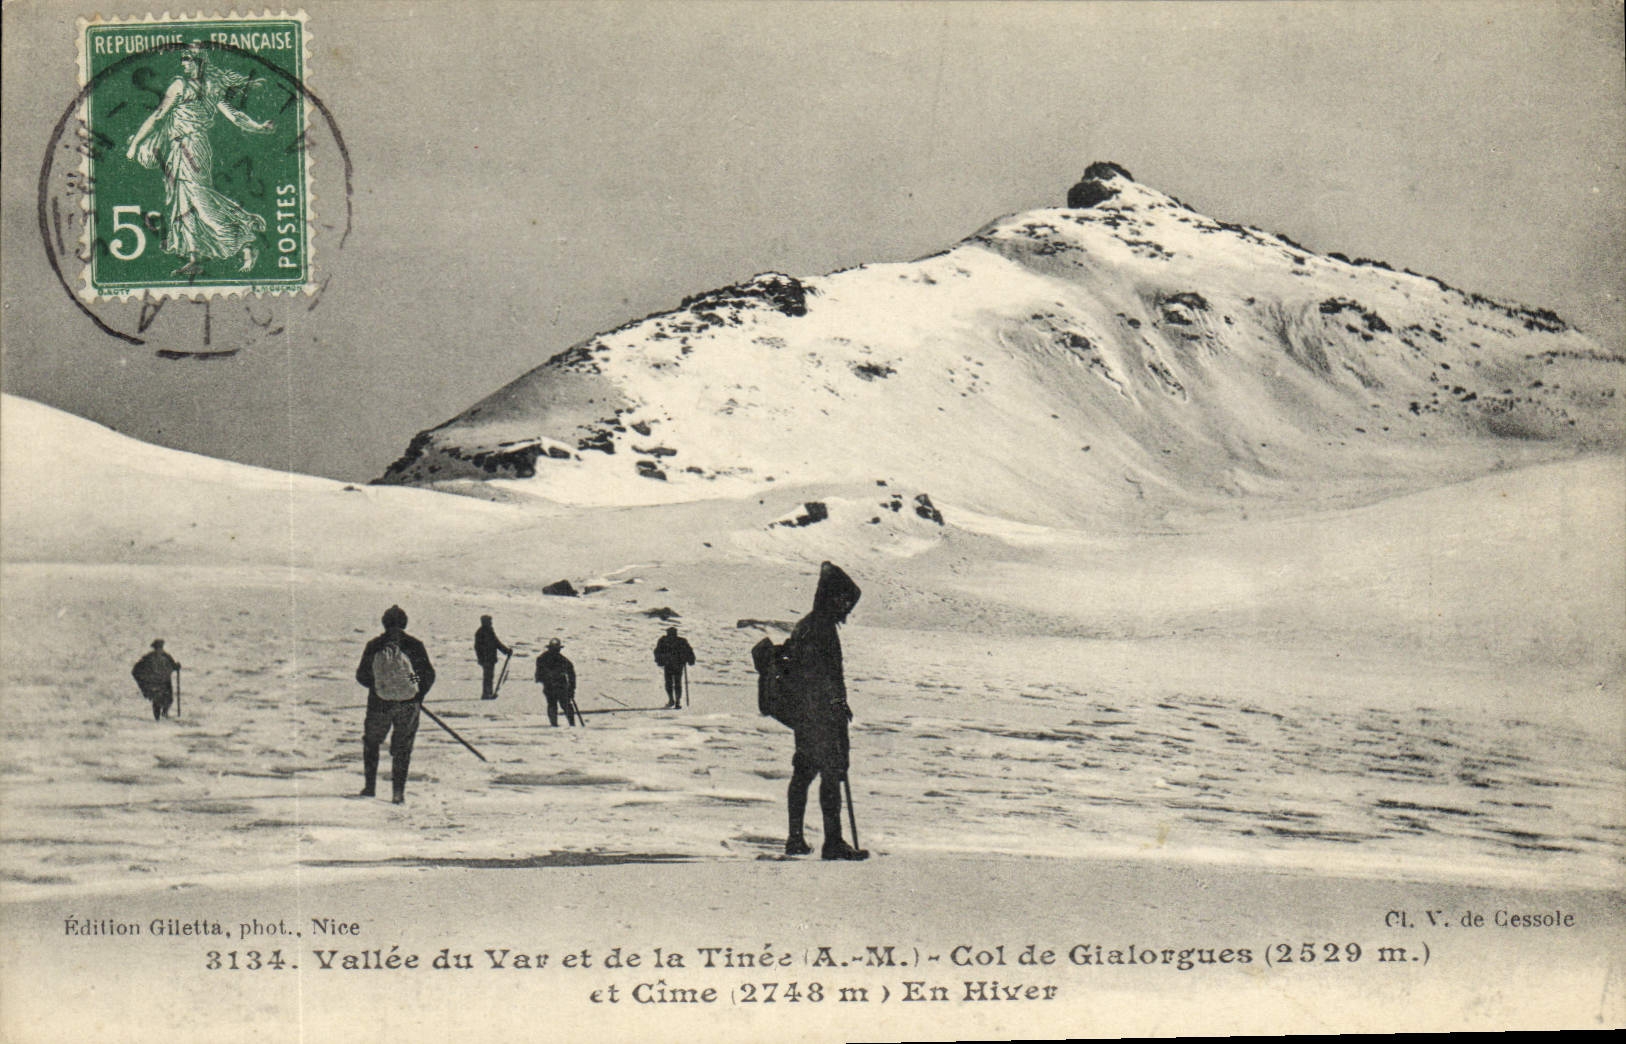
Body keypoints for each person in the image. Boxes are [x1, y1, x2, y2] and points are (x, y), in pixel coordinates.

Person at [123, 42, 275, 276]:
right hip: (182, 147)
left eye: (189, 60)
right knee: (184, 202)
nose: (185, 64)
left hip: (191, 148)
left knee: (200, 199)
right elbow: (234, 116)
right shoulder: (205, 86)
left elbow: (158, 116)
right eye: (183, 60)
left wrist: (134, 144)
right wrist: (259, 127)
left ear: (201, 62)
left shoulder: (184, 86)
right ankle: (194, 258)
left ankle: (245, 241)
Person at [782, 562, 868, 861]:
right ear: (831, 597)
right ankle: (832, 842)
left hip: (805, 715)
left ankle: (795, 838)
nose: (846, 607)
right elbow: (823, 675)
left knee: (804, 773)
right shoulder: (822, 629)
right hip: (822, 716)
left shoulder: (806, 625)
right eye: (843, 600)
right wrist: (836, 705)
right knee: (831, 774)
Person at [354, 605, 436, 803]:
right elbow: (427, 674)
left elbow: (362, 676)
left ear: (384, 623)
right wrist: (413, 689)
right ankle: (398, 793)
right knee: (403, 748)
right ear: (405, 623)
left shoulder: (375, 645)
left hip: (379, 704)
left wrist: (380, 686)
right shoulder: (414, 645)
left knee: (372, 743)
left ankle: (370, 787)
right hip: (408, 705)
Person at [131, 639, 180, 721]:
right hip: (154, 683)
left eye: (161, 647)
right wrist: (145, 680)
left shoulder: (166, 656)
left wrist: (176, 667)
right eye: (158, 647)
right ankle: (157, 719)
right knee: (157, 701)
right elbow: (136, 669)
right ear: (155, 648)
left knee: (169, 699)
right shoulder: (148, 657)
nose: (160, 649)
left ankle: (164, 714)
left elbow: (173, 665)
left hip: (165, 682)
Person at [534, 638, 578, 726]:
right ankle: (556, 725)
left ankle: (570, 724)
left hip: (559, 686)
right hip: (552, 686)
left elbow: (571, 674)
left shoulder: (561, 660)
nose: (555, 651)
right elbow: (539, 674)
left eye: (556, 649)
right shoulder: (542, 659)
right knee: (555, 705)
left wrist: (571, 689)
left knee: (562, 705)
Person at [652, 626, 696, 708]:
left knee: (670, 683)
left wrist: (659, 661)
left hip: (670, 664)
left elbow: (657, 651)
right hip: (676, 665)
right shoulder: (681, 641)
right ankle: (676, 701)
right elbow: (689, 651)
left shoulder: (664, 641)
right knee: (676, 683)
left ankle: (673, 700)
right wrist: (690, 660)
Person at [474, 615, 512, 700]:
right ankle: (486, 694)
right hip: (486, 659)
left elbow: (496, 643)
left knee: (489, 676)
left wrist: (506, 651)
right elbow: (478, 647)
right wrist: (481, 658)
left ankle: (488, 693)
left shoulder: (489, 631)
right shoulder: (481, 632)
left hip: (490, 658)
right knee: (488, 676)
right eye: (489, 621)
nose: (491, 623)